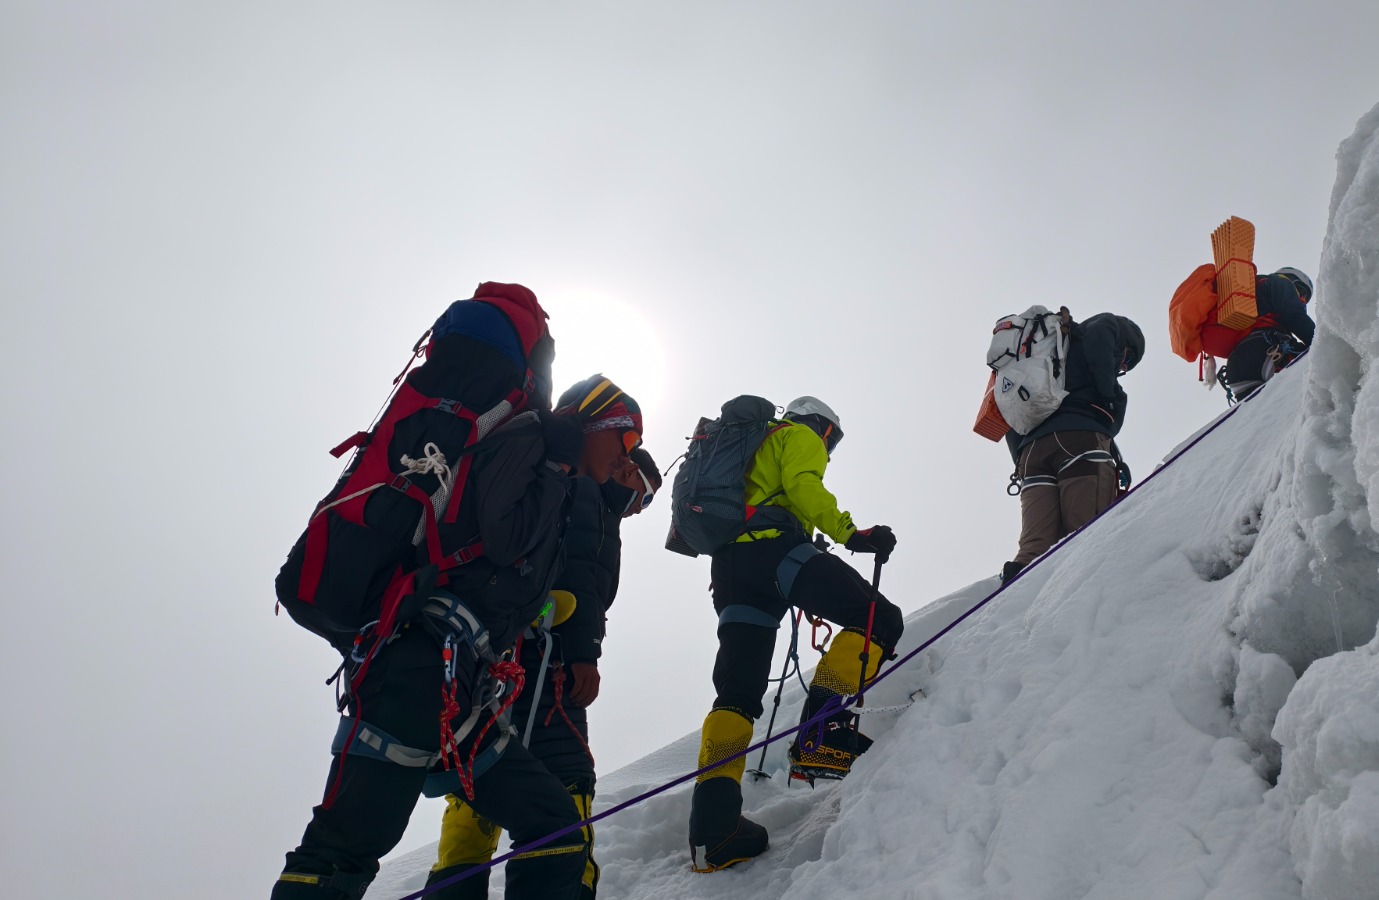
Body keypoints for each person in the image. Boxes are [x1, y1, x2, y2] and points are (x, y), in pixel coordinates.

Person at [271, 366, 644, 900]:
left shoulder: (558, 473)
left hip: (462, 686)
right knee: (341, 851)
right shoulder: (534, 441)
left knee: (554, 826)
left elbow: (506, 576)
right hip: (419, 667)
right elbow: (504, 536)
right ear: (594, 422)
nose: (629, 455)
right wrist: (557, 466)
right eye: (627, 437)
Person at [425, 441, 662, 900]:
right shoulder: (590, 495)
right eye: (646, 494)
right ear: (628, 470)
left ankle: (454, 885)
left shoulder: (560, 487)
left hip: (499, 655)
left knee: (485, 773)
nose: (640, 507)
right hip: (549, 657)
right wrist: (584, 654)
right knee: (568, 774)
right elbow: (578, 574)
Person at [687, 396, 904, 873]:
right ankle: (822, 733)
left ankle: (714, 832)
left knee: (736, 696)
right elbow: (803, 485)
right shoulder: (796, 435)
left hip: (730, 571)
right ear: (822, 427)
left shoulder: (747, 447)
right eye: (832, 440)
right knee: (880, 619)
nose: (829, 449)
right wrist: (853, 535)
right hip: (776, 552)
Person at [1001, 314, 1144, 584]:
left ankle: (1016, 591)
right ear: (1128, 343)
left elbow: (1010, 416)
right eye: (1127, 361)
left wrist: (1021, 459)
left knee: (1033, 547)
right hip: (1079, 445)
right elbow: (1101, 332)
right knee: (1085, 534)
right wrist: (1109, 397)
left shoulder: (1035, 363)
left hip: (1031, 456)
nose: (1122, 367)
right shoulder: (1105, 325)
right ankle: (1086, 597)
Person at [1209, 267, 1315, 402]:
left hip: (1237, 368)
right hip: (1266, 351)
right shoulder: (1280, 283)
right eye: (1303, 292)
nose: (1303, 299)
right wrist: (1322, 341)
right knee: (1315, 358)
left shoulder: (1250, 294)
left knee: (1259, 409)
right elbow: (1294, 316)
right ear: (1291, 280)